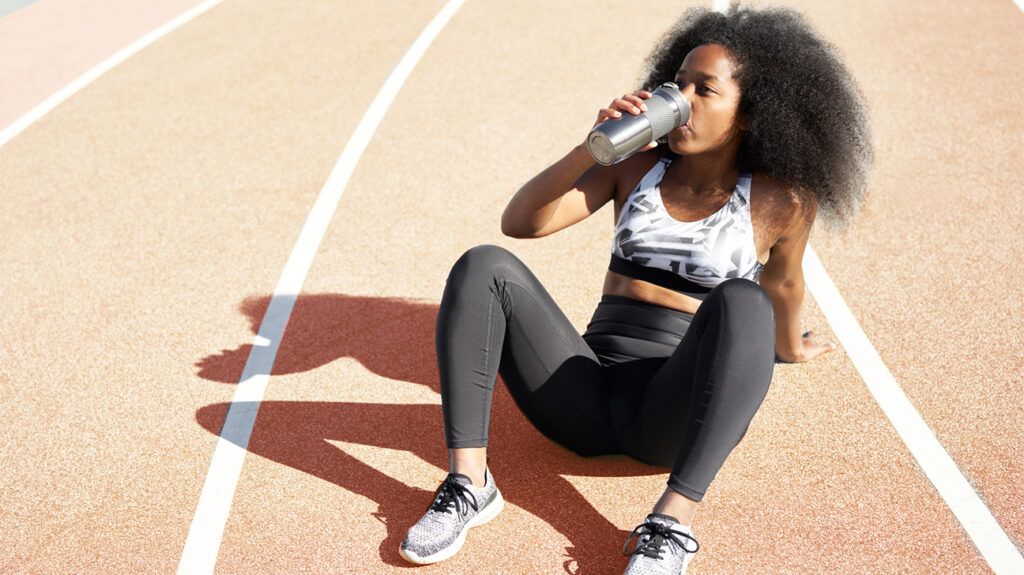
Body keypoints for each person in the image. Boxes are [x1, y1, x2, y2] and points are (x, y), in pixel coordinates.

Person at [399, 3, 872, 573]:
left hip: (671, 417)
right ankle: (470, 483)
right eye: (678, 84)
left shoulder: (781, 200)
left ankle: (670, 523)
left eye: (705, 90)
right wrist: (592, 146)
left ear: (750, 115)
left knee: (744, 300)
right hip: (583, 397)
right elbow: (521, 222)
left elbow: (785, 282)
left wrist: (789, 347)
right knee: (484, 265)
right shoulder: (635, 167)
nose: (682, 100)